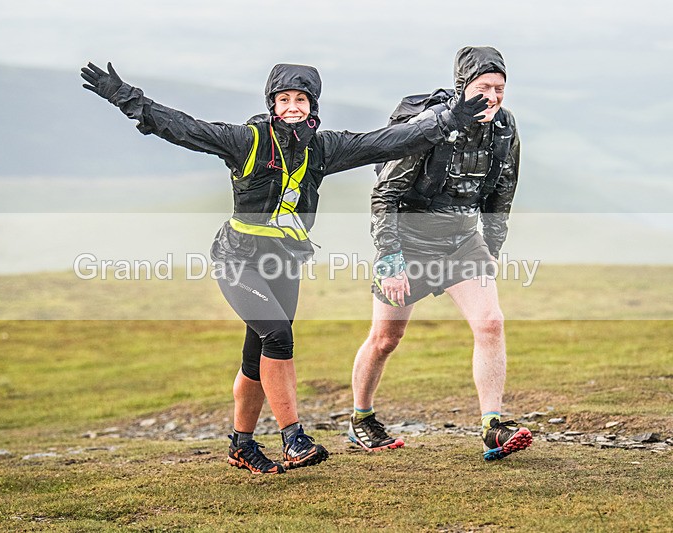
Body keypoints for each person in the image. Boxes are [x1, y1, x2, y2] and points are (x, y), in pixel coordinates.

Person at [81, 61, 486, 473]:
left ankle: (240, 445)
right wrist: (125, 97)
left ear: (313, 106)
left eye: (301, 99)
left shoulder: (324, 147)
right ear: (272, 105)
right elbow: (183, 128)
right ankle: (294, 437)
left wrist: (449, 119)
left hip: (285, 262)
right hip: (238, 260)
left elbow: (387, 142)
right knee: (278, 335)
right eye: (284, 99)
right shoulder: (245, 141)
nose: (292, 106)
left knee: (257, 357)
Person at [347, 46, 532, 461]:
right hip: (407, 242)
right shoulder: (430, 126)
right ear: (463, 86)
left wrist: (492, 249)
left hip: (462, 242)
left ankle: (492, 426)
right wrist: (390, 259)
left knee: (490, 323)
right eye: (485, 86)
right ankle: (362, 419)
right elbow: (385, 194)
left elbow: (502, 195)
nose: (494, 95)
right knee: (385, 339)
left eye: (500, 87)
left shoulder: (504, 129)